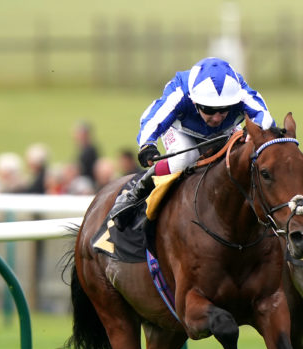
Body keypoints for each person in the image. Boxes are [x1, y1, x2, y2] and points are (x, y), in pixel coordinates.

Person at [109, 57, 274, 229]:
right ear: (194, 101)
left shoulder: (240, 92)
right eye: (209, 109)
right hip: (180, 129)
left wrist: (256, 129)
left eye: (224, 109)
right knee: (185, 157)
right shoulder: (181, 92)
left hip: (226, 131)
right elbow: (154, 118)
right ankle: (135, 194)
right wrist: (147, 145)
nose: (217, 117)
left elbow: (265, 117)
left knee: (243, 156)